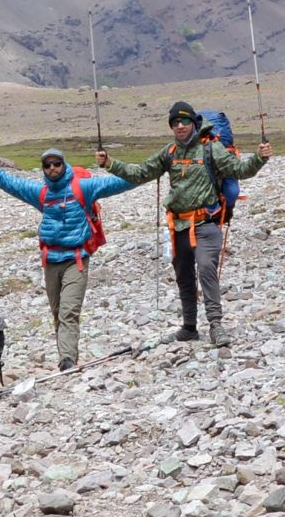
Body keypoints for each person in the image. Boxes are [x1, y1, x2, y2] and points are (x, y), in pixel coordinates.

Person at [99, 101, 271, 347]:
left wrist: (259, 159)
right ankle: (189, 328)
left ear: (194, 122)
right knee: (183, 276)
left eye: (185, 121)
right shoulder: (168, 153)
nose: (180, 126)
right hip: (178, 226)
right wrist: (110, 164)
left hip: (206, 222)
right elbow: (141, 173)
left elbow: (238, 169)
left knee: (206, 269)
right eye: (175, 122)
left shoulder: (211, 149)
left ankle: (216, 325)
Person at [0, 146, 129, 371]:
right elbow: (6, 181)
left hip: (76, 259)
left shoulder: (84, 188)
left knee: (69, 311)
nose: (52, 168)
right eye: (47, 165)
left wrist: (142, 167)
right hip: (50, 260)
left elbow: (122, 183)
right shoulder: (40, 193)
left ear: (64, 164)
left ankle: (67, 360)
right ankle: (67, 354)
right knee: (58, 312)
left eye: (56, 163)